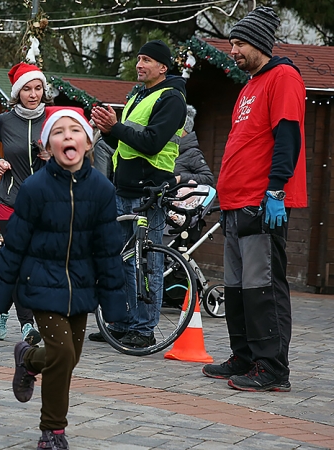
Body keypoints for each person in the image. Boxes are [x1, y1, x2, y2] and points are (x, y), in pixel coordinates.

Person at [0, 107, 127, 450]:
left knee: (69, 357)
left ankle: (28, 358)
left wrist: (116, 304)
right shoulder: (34, 188)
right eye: (58, 132)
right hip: (40, 283)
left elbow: (108, 250)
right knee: (62, 354)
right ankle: (53, 431)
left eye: (74, 131)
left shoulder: (103, 190)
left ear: (88, 143)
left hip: (81, 285)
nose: (67, 137)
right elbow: (15, 245)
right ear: (48, 145)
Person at [202, 6, 307, 392]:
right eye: (231, 43)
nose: (233, 50)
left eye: (240, 43)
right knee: (237, 287)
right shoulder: (248, 86)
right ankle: (245, 356)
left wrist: (276, 190)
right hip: (234, 203)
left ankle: (272, 367)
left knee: (262, 286)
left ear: (260, 44)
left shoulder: (283, 78)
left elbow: (288, 136)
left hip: (262, 203)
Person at [90, 40, 187, 348]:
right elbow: (126, 144)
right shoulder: (138, 95)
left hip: (150, 193)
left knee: (147, 263)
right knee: (119, 259)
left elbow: (151, 143)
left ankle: (144, 329)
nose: (139, 64)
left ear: (163, 67)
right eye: (138, 59)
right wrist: (107, 130)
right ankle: (120, 322)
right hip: (123, 189)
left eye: (146, 60)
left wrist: (115, 127)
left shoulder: (172, 98)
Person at [0, 62, 53, 345]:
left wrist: (54, 157)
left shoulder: (53, 120)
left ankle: (1, 309)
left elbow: (75, 153)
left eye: (37, 88)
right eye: (27, 89)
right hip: (9, 202)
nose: (33, 94)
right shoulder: (4, 121)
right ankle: (27, 325)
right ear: (17, 92)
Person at [174, 105, 214, 186]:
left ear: (183, 131)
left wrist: (181, 178)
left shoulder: (193, 153)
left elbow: (208, 178)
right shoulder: (167, 151)